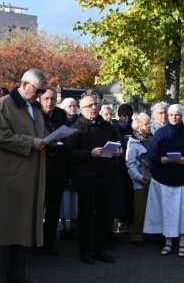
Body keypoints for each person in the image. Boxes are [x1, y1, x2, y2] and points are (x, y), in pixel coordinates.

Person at [0, 69, 50, 283]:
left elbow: (39, 134)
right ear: (24, 83)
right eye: (37, 90)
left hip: (30, 176)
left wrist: (50, 140)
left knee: (25, 226)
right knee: (4, 228)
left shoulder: (35, 108)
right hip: (8, 177)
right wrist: (31, 142)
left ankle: (18, 275)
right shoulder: (5, 104)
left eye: (42, 91)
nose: (39, 95)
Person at [144, 104, 184, 257]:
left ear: (181, 116)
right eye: (171, 115)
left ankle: (183, 243)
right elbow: (151, 154)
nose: (173, 117)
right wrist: (161, 160)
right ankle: (168, 242)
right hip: (164, 179)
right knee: (168, 213)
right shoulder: (160, 133)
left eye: (177, 115)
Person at [69, 94, 123, 264]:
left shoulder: (107, 127)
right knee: (85, 216)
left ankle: (100, 250)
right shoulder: (76, 128)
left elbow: (118, 145)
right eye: (89, 106)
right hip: (85, 178)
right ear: (81, 109)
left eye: (95, 104)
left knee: (104, 215)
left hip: (105, 176)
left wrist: (118, 153)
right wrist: (89, 153)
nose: (93, 108)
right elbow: (69, 154)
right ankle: (85, 251)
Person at [37, 88, 70, 256]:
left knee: (53, 210)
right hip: (39, 170)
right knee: (36, 210)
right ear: (40, 99)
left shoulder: (60, 116)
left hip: (57, 169)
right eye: (46, 98)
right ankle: (35, 243)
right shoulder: (34, 115)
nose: (50, 102)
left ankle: (50, 242)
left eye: (53, 99)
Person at [124, 112, 153, 246]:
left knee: (151, 209)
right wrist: (139, 178)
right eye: (146, 124)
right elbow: (130, 164)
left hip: (153, 179)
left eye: (149, 123)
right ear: (138, 126)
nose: (149, 126)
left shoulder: (151, 139)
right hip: (140, 181)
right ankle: (137, 236)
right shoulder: (133, 142)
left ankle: (150, 234)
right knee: (140, 210)